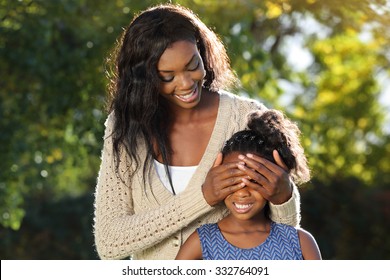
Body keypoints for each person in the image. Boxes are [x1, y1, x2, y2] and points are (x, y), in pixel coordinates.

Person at [93, 3, 302, 260]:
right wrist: (203, 197)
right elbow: (109, 242)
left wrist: (283, 198)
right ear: (144, 78)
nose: (186, 83)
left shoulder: (244, 118)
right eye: (167, 76)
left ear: (202, 52)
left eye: (192, 65)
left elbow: (283, 242)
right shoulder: (125, 126)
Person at [175, 109, 321, 260]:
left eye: (254, 181)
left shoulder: (300, 242)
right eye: (233, 180)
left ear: (273, 181)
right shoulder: (201, 242)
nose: (242, 192)